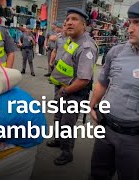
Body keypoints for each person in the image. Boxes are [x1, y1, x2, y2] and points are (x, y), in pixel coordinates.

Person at [89, 2, 139, 180]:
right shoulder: (116, 52)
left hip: (134, 140)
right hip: (106, 130)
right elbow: (103, 83)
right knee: (97, 174)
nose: (130, 29)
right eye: (130, 22)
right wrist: (92, 105)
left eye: (137, 23)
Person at [48, 7, 98, 165]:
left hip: (74, 93)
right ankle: (59, 140)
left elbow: (84, 79)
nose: (69, 22)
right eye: (67, 19)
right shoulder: (72, 40)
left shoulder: (86, 47)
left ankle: (66, 153)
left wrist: (65, 90)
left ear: (84, 26)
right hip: (63, 89)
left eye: (74, 19)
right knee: (59, 118)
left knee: (67, 124)